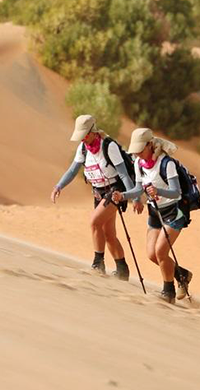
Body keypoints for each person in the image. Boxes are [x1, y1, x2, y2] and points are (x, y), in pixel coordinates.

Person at [51, 115, 141, 280]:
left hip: (115, 191)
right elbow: (72, 171)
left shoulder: (109, 146)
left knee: (94, 222)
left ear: (93, 132)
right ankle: (122, 270)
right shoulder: (83, 148)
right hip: (98, 193)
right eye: (81, 136)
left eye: (85, 135)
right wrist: (58, 186)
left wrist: (134, 197)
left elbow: (124, 174)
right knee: (108, 234)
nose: (83, 139)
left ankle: (98, 264)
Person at [111, 128, 193, 304]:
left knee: (161, 251)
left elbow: (176, 192)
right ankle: (182, 275)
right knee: (152, 254)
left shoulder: (166, 164)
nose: (137, 154)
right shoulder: (138, 163)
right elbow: (138, 189)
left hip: (174, 211)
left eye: (140, 149)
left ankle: (168, 292)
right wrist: (123, 196)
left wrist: (158, 191)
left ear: (150, 145)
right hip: (154, 212)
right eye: (135, 150)